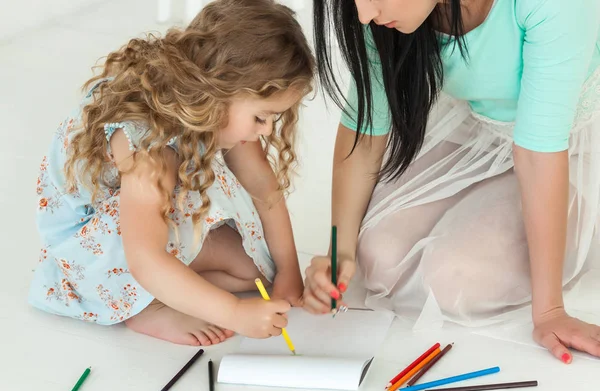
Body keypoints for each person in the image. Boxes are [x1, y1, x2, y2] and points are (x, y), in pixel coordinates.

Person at [303, 0, 600, 363]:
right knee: (379, 257)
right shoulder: (382, 11)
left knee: (452, 278)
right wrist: (339, 253)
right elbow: (366, 129)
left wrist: (550, 311)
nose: (363, 14)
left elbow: (539, 154)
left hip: (561, 149)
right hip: (481, 131)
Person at [29, 0, 315, 346]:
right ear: (220, 89)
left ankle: (173, 286)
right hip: (92, 244)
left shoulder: (215, 104)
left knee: (253, 271)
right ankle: (143, 308)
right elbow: (145, 258)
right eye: (261, 117)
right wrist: (233, 314)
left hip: (145, 215)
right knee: (168, 269)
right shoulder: (148, 146)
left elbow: (263, 188)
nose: (267, 130)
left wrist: (288, 271)